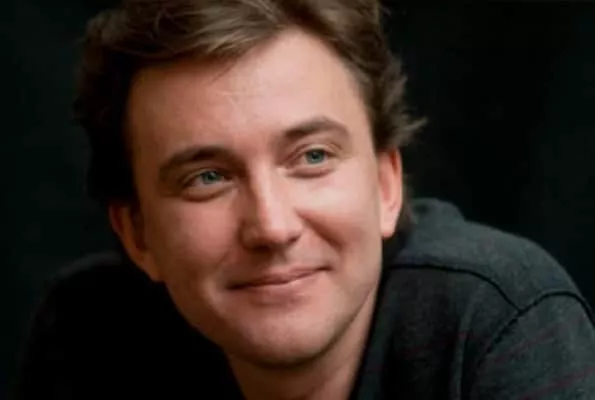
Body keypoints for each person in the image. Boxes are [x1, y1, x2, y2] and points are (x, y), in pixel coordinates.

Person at [16, 0, 595, 399]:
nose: (271, 226)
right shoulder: (87, 335)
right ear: (138, 234)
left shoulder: (493, 319)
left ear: (386, 186)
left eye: (312, 157)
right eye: (207, 177)